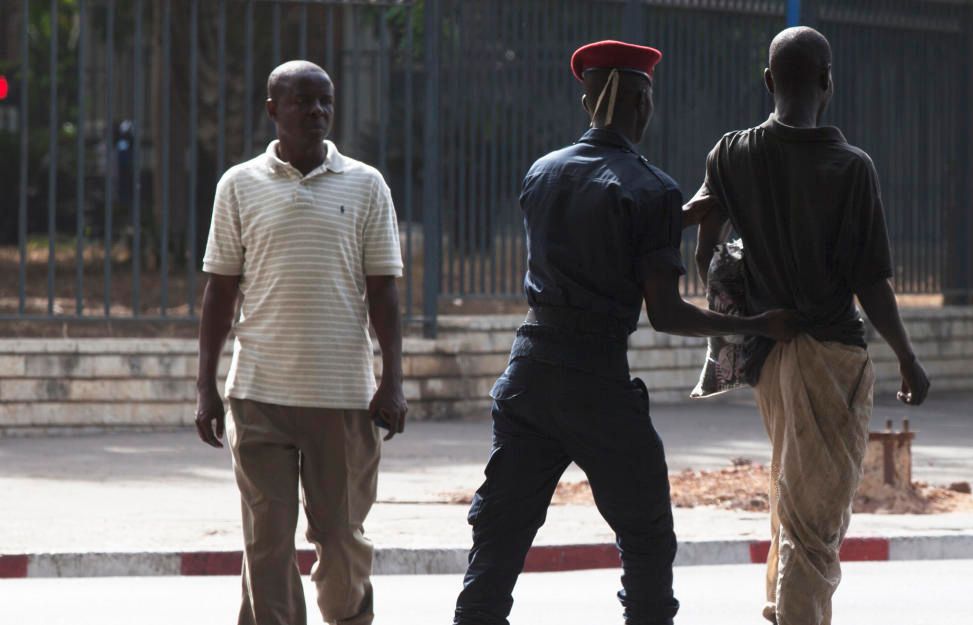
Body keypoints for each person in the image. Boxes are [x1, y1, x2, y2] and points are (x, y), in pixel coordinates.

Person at [452, 40, 799, 625]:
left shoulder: (543, 172)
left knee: (498, 543)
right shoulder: (652, 188)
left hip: (530, 376)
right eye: (648, 97)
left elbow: (600, 223)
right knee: (646, 538)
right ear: (640, 101)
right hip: (597, 386)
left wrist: (677, 216)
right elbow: (666, 313)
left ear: (589, 100)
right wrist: (755, 324)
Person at [684, 27, 932, 625]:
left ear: (769, 80)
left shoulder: (731, 152)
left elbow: (704, 253)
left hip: (770, 355)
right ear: (827, 82)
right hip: (834, 358)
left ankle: (778, 608)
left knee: (792, 501)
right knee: (815, 523)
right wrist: (906, 355)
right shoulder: (849, 167)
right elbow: (870, 283)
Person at [195, 60, 407, 625]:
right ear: (273, 109)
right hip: (258, 393)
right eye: (302, 102)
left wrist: (393, 381)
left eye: (325, 102)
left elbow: (384, 291)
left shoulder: (366, 184)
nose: (316, 112)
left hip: (343, 400)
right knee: (267, 543)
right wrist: (206, 389)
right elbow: (219, 291)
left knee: (339, 541)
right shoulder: (239, 185)